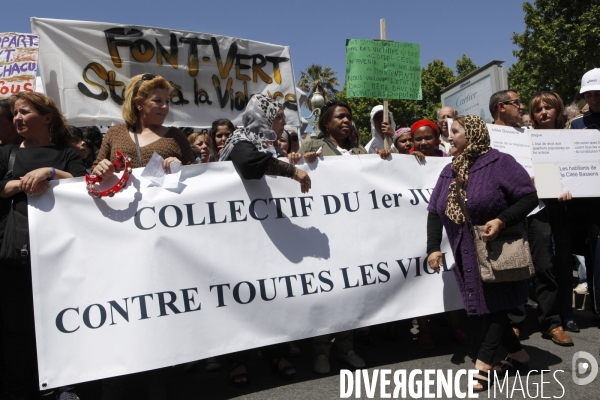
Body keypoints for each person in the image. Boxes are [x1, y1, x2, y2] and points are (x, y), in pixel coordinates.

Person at [427, 115, 539, 391]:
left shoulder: (500, 163)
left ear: (473, 134)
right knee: (491, 309)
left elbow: (529, 196)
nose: (449, 137)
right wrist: (432, 248)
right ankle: (519, 356)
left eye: (455, 132)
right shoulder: (449, 170)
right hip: (465, 253)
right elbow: (434, 212)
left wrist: (502, 220)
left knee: (495, 306)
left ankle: (484, 364)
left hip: (496, 251)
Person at [219, 94, 311, 384]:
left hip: (268, 231)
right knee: (243, 297)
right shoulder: (241, 139)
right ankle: (238, 360)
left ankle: (276, 352)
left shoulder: (268, 144)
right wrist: (291, 170)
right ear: (265, 117)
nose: (284, 121)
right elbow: (249, 165)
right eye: (280, 116)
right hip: (240, 235)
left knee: (273, 292)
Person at [0, 92, 87, 399]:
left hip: (57, 253)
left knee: (61, 321)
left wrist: (51, 174)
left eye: (24, 112)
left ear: (47, 118)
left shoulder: (65, 154)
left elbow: (84, 185)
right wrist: (20, 183)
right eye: (14, 114)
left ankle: (65, 385)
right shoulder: (7, 152)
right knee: (17, 327)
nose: (17, 119)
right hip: (15, 255)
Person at [292, 100, 383, 374]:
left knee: (350, 293)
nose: (346, 121)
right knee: (326, 293)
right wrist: (299, 161)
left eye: (349, 117)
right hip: (323, 236)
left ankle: (346, 348)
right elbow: (292, 171)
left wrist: (385, 154)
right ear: (326, 123)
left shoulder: (358, 151)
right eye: (340, 117)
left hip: (354, 233)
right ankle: (321, 351)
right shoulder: (311, 145)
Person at [491, 89, 573, 345]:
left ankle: (552, 322)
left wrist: (558, 185)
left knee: (544, 265)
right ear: (502, 107)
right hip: (507, 210)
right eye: (517, 103)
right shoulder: (487, 135)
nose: (523, 108)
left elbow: (551, 168)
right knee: (513, 267)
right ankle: (515, 323)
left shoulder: (531, 136)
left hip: (537, 209)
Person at [92, 73, 194, 178]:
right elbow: (94, 171)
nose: (165, 106)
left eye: (167, 101)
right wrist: (100, 168)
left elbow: (195, 176)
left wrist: (181, 168)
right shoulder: (115, 133)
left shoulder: (176, 136)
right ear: (138, 104)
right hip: (122, 194)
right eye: (158, 100)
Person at [567, 68, 600, 315]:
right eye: (589, 94)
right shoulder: (576, 125)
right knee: (594, 260)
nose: (594, 99)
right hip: (590, 209)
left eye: (597, 93)